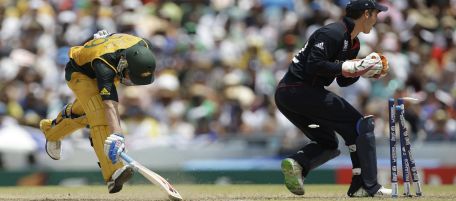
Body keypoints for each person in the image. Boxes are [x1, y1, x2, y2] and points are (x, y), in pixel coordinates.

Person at [275, 0, 391, 197]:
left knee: (328, 144)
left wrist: (362, 71)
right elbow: (314, 65)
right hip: (297, 89)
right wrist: (350, 67)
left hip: (297, 94)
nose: (377, 18)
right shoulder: (333, 33)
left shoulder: (354, 43)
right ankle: (365, 185)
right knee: (360, 125)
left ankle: (298, 163)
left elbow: (342, 81)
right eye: (375, 14)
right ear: (365, 14)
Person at [39, 30, 156, 193]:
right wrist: (117, 135)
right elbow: (110, 105)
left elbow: (119, 39)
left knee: (87, 112)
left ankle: (52, 130)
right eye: (129, 75)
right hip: (79, 73)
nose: (129, 81)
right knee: (99, 115)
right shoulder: (105, 66)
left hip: (100, 61)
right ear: (124, 63)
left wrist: (108, 37)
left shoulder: (143, 46)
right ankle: (113, 173)